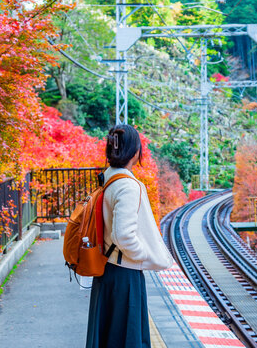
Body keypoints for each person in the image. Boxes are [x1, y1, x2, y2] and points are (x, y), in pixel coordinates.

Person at [86, 124, 174, 348]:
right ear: (135, 152)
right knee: (128, 339)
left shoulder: (108, 180)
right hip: (124, 275)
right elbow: (123, 235)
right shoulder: (128, 186)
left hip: (107, 271)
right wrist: (143, 255)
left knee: (108, 338)